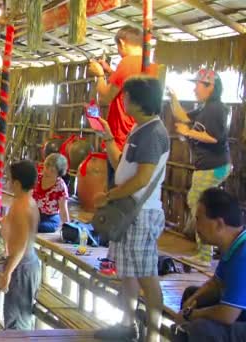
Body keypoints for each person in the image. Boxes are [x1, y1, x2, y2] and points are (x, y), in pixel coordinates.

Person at [93, 76, 169, 342]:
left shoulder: (153, 133)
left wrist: (108, 196)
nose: (122, 101)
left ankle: (153, 336)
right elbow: (122, 166)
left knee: (146, 275)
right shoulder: (140, 129)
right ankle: (127, 326)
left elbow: (141, 180)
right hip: (129, 211)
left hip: (139, 212)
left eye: (126, 97)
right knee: (127, 271)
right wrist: (109, 137)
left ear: (138, 102)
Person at [168, 69, 232, 267]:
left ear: (210, 87)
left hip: (213, 166)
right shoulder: (205, 108)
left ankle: (204, 256)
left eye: (198, 84)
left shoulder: (215, 109)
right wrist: (173, 97)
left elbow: (214, 137)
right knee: (197, 201)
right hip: (212, 166)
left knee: (199, 204)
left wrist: (188, 132)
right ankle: (207, 251)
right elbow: (183, 116)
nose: (194, 88)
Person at [176, 188, 246, 342]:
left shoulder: (243, 255)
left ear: (219, 224)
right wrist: (191, 302)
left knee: (202, 328)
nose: (196, 226)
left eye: (199, 219)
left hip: (234, 313)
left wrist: (191, 314)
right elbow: (216, 283)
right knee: (192, 294)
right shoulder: (235, 245)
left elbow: (227, 315)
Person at [88, 27, 159, 151]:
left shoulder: (127, 62)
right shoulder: (151, 66)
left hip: (121, 139)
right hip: (138, 136)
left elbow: (104, 98)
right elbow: (125, 84)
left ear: (122, 43)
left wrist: (99, 75)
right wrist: (109, 71)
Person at [0, 160, 42, 330]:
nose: (7, 183)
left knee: (17, 323)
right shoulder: (24, 202)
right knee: (16, 318)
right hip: (23, 263)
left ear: (16, 183)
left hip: (22, 266)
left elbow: (22, 244)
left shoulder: (23, 206)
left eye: (9, 179)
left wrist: (7, 272)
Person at [32, 153, 70, 233]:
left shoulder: (60, 186)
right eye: (46, 167)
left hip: (50, 218)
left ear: (58, 173)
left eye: (52, 171)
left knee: (37, 226)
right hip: (34, 214)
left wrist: (68, 228)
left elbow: (63, 210)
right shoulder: (37, 179)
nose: (47, 172)